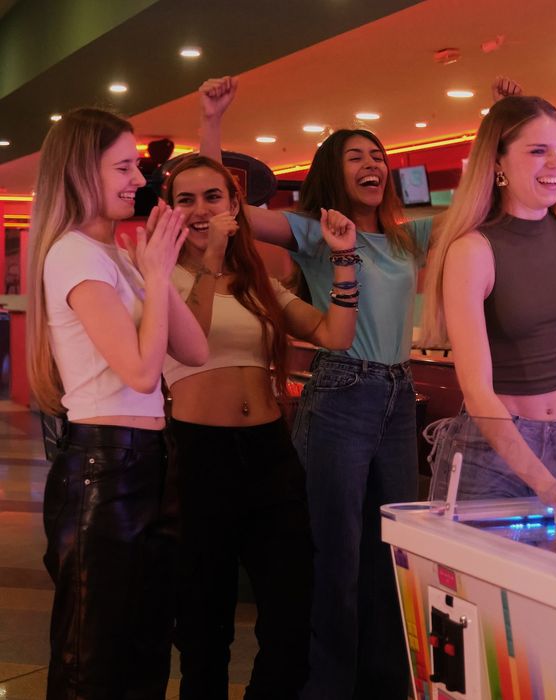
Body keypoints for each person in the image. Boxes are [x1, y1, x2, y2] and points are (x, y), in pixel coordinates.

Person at [197, 76, 427, 699]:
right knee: (335, 556)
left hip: (397, 397)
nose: (372, 163)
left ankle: (385, 684)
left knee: (393, 552)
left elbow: (482, 210)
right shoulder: (318, 232)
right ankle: (326, 688)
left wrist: (504, 125)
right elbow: (228, 210)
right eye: (355, 156)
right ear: (333, 173)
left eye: (377, 154)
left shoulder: (410, 238)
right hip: (340, 395)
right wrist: (211, 126)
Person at [160, 154, 360, 699]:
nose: (201, 210)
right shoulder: (158, 276)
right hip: (201, 458)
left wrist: (345, 262)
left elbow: (332, 334)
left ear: (233, 206)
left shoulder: (257, 282)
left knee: (292, 615)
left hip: (270, 455)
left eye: (213, 197)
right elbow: (189, 343)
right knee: (204, 627)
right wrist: (212, 259)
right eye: (186, 199)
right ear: (170, 210)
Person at [28, 108, 208, 698]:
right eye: (124, 166)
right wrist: (155, 276)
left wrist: (158, 263)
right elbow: (138, 369)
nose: (139, 179)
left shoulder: (119, 258)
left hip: (151, 459)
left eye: (136, 165)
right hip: (102, 469)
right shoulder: (73, 254)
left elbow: (195, 349)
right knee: (92, 659)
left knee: (145, 649)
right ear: (83, 171)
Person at [421, 95, 556, 514]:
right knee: (479, 580)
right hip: (494, 452)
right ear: (497, 162)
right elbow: (477, 388)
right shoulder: (472, 248)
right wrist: (544, 482)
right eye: (538, 151)